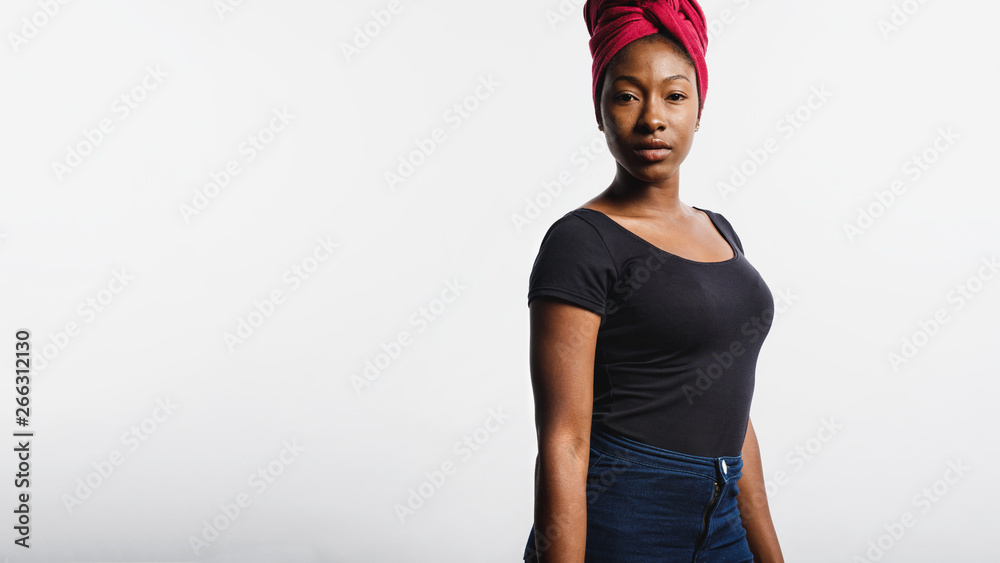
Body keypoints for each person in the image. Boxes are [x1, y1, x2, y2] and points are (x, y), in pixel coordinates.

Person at [521, 1, 785, 561]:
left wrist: (769, 553)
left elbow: (733, 410)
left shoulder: (721, 230)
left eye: (674, 95)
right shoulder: (582, 240)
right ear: (598, 110)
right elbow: (564, 443)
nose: (652, 118)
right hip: (625, 516)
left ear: (698, 108)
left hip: (725, 516)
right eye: (626, 95)